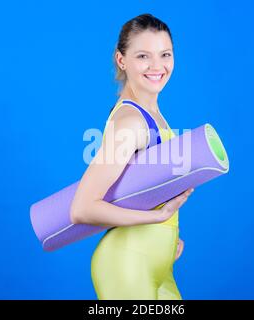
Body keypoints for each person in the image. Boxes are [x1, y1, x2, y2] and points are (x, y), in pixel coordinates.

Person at [70, 13, 194, 300]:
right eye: (143, 56)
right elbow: (82, 208)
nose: (157, 66)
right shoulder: (131, 121)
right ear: (121, 60)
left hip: (157, 265)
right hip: (126, 264)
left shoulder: (153, 114)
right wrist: (156, 219)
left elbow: (143, 189)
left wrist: (164, 237)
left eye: (165, 54)